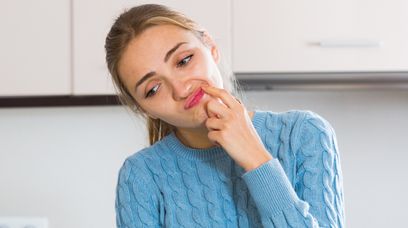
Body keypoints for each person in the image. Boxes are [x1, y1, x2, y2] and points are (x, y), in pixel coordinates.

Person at [105, 4, 345, 228]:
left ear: (210, 46)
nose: (181, 89)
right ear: (142, 107)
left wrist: (256, 159)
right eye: (153, 89)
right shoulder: (141, 176)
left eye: (184, 60)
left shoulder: (305, 134)